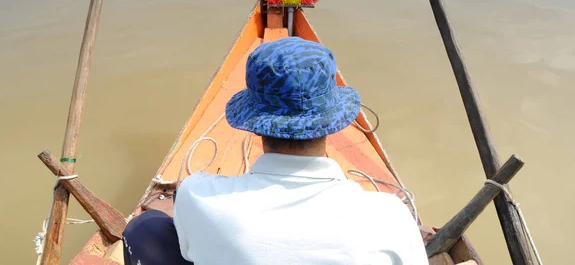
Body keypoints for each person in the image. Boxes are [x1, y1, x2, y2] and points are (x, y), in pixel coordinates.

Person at [123, 37, 428, 264]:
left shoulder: (199, 195)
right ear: (334, 123)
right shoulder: (389, 217)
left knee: (144, 229)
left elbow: (189, 252)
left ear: (253, 123)